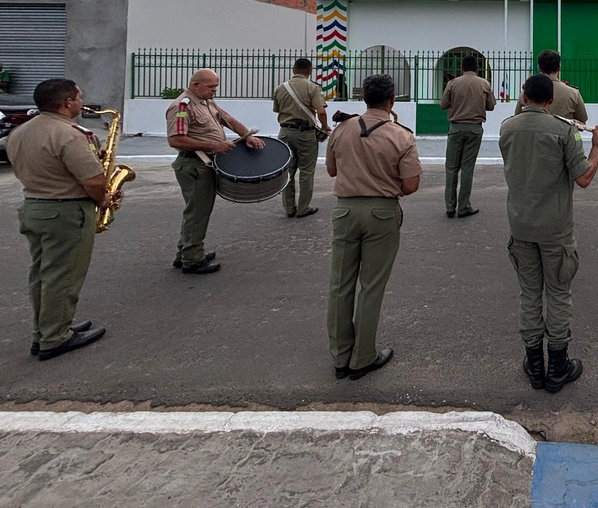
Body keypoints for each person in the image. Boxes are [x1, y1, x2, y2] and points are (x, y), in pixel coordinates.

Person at [499, 74, 598, 393]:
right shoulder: (565, 131)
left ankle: (535, 364)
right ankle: (557, 367)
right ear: (550, 100)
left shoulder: (507, 127)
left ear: (524, 97)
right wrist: (597, 147)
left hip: (520, 224)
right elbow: (583, 179)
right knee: (558, 294)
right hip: (555, 228)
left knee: (530, 294)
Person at [325, 74, 421, 380]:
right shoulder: (401, 135)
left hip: (345, 210)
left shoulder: (342, 128)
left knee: (340, 285)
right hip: (382, 212)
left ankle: (340, 356)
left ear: (364, 98)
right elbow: (411, 185)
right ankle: (362, 356)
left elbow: (331, 170)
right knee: (371, 286)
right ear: (392, 100)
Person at [6, 78, 110, 360]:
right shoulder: (71, 134)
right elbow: (93, 179)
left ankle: (46, 331)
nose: (81, 101)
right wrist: (104, 200)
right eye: (78, 97)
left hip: (34, 206)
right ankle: (55, 337)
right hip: (65, 211)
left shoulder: (21, 131)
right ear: (67, 103)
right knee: (63, 276)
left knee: (42, 275)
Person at [165, 69, 264, 274]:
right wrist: (213, 146)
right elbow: (176, 140)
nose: (214, 91)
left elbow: (229, 119)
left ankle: (186, 251)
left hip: (205, 165)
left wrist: (246, 136)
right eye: (210, 87)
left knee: (197, 211)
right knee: (197, 213)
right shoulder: (182, 106)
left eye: (215, 86)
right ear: (196, 85)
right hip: (194, 166)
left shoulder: (207, 102)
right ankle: (192, 259)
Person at [272, 57, 330, 219]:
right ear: (310, 71)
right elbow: (321, 111)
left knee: (288, 171)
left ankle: (289, 208)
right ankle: (303, 208)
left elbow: (276, 110)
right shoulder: (313, 88)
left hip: (285, 133)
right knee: (306, 171)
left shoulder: (280, 88)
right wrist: (324, 127)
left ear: (293, 70)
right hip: (305, 134)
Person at [439, 54, 496, 218]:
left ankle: (450, 207)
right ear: (477, 69)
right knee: (467, 168)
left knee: (451, 168)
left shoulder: (453, 83)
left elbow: (443, 105)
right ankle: (464, 206)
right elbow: (491, 106)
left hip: (456, 128)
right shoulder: (484, 84)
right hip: (474, 129)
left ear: (462, 68)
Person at [514, 50, 587, 122]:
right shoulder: (573, 94)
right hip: (562, 133)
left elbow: (517, 117)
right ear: (559, 68)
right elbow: (581, 121)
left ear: (539, 68)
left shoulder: (526, 92)